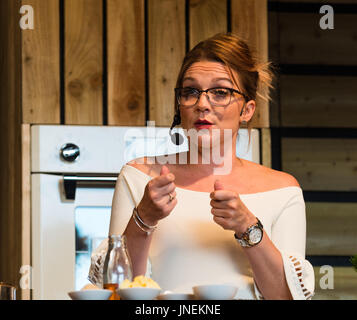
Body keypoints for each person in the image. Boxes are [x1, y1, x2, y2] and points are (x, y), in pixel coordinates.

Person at [89, 33, 315, 300]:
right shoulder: (138, 177)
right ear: (180, 104)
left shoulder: (283, 190)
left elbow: (286, 297)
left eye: (221, 92)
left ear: (247, 110)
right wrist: (143, 219)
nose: (202, 104)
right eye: (191, 91)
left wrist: (248, 226)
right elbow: (115, 292)